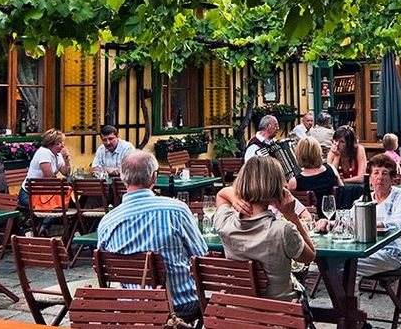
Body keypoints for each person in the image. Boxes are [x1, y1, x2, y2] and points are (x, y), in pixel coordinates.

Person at [98, 151, 208, 321]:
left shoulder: (107, 221)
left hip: (131, 306)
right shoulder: (176, 210)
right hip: (180, 304)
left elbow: (105, 267)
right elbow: (200, 255)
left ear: (122, 177)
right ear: (154, 177)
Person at [214, 156, 316, 302]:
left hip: (240, 307)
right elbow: (309, 257)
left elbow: (221, 195)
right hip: (281, 310)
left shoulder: (225, 223)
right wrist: (291, 215)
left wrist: (236, 198)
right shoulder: (283, 230)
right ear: (278, 188)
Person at [355, 155, 401, 277]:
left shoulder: (400, 196)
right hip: (366, 250)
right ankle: (349, 295)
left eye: (385, 173)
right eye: (375, 173)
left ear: (392, 179)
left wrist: (380, 225)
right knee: (341, 264)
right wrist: (330, 223)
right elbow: (350, 219)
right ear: (370, 179)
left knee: (349, 266)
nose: (380, 177)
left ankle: (348, 295)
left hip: (392, 251)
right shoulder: (364, 199)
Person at [288, 137, 342, 218]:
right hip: (332, 217)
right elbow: (342, 191)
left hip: (308, 221)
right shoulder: (331, 169)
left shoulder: (294, 182)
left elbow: (291, 207)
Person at [19, 129, 72, 209]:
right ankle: (47, 221)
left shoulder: (57, 154)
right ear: (50, 144)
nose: (62, 146)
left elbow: (66, 173)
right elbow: (49, 177)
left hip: (45, 193)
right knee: (63, 203)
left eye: (62, 143)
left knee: (67, 201)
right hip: (29, 195)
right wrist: (60, 181)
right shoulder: (44, 152)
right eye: (58, 143)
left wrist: (66, 160)